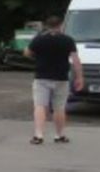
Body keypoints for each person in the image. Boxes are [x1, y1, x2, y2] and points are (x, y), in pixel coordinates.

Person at [27, 13, 83, 145]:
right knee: (59, 108)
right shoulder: (68, 40)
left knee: (40, 106)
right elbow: (75, 60)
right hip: (61, 78)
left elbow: (27, 53)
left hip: (41, 77)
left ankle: (39, 135)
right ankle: (59, 135)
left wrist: (36, 55)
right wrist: (80, 77)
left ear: (46, 26)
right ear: (61, 25)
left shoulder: (39, 39)